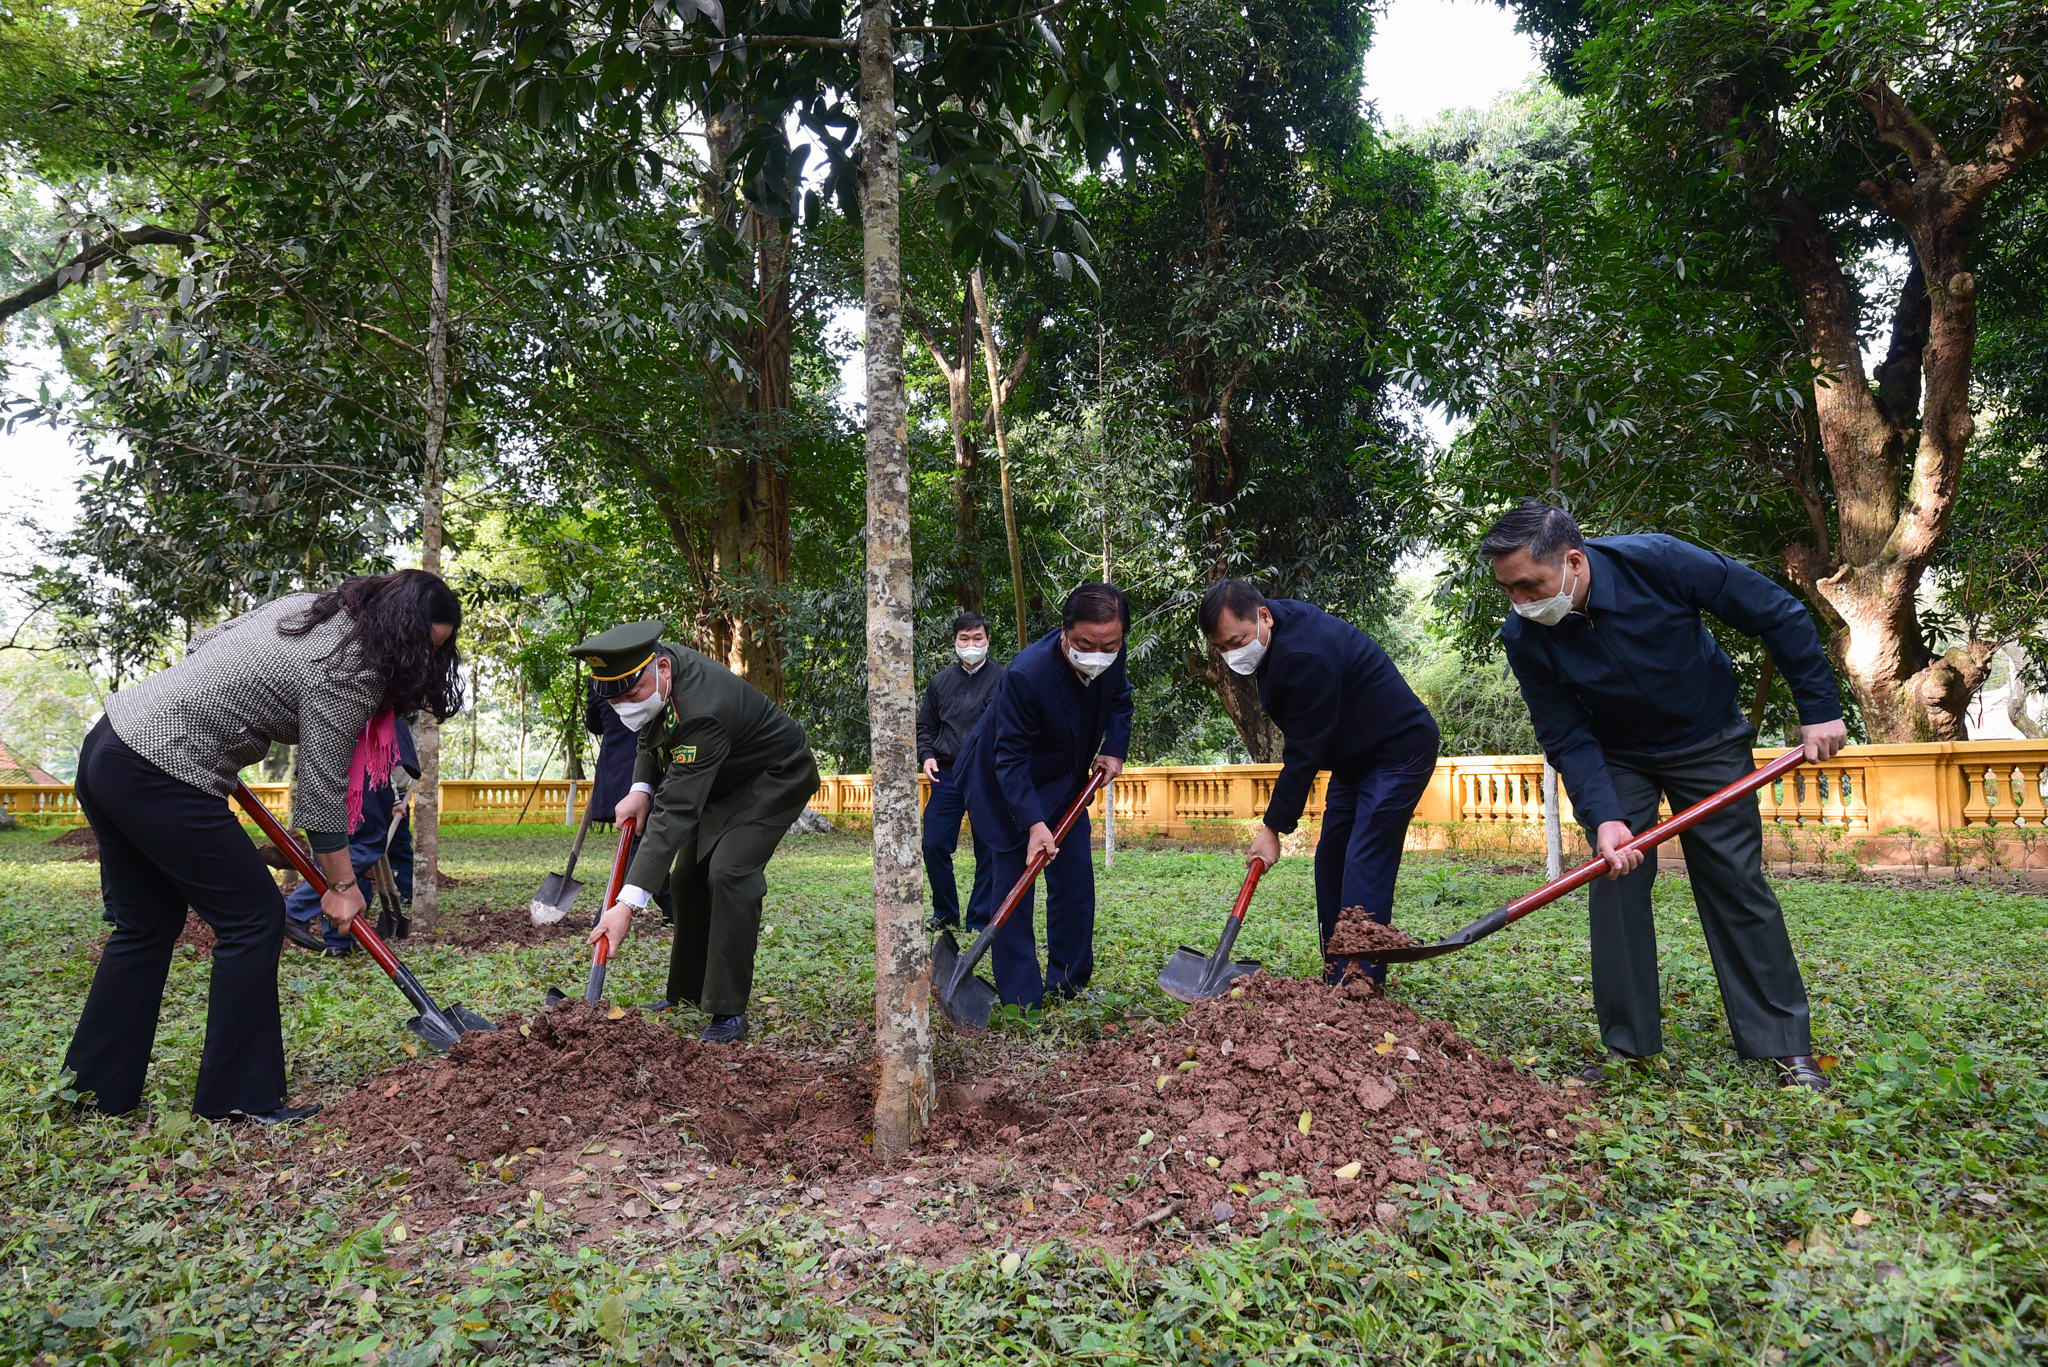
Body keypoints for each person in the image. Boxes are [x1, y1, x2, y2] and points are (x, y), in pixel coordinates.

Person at [66, 570, 464, 1123]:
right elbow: (320, 792)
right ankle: (239, 1098)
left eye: (437, 649)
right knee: (254, 918)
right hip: (161, 768)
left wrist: (221, 720)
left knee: (145, 924)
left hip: (110, 743)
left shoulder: (310, 609)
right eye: (424, 643)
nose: (425, 659)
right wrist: (343, 887)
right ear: (397, 627)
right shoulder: (353, 667)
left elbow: (211, 643)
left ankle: (91, 1091)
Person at [1480, 501, 1845, 1090]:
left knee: (1734, 879)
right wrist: (1604, 817)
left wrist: (1820, 711)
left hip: (1707, 739)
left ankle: (1782, 1043)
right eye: (1509, 591)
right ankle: (1629, 1045)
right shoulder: (1525, 636)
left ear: (1574, 561)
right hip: (1617, 753)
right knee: (1614, 876)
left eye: (1530, 585)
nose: (1521, 602)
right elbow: (1565, 735)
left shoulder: (1661, 562)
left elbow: (1776, 612)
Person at [578, 622, 820, 1043]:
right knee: (687, 879)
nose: (626, 706)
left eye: (631, 695)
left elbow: (676, 811)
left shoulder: (704, 710)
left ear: (664, 668)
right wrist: (640, 787)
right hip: (721, 777)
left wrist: (627, 905)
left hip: (772, 779)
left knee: (729, 874)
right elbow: (651, 732)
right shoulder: (652, 669)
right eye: (616, 700)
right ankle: (685, 994)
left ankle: (727, 1013)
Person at [1198, 580, 1440, 983]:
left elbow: (1304, 751)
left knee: (1364, 862)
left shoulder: (1305, 652)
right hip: (1353, 758)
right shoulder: (1277, 630)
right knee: (1331, 859)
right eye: (1222, 648)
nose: (1232, 655)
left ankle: (1358, 985)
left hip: (1398, 754)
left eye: (1236, 641)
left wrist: (1272, 828)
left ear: (1263, 616)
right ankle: (1337, 974)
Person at [953, 583, 1133, 1010]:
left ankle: (1069, 985)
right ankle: (1021, 1000)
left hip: (1068, 784)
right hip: (1005, 787)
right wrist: (1034, 824)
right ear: (1065, 632)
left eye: (1109, 643)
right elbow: (1009, 757)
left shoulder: (1111, 649)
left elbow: (1121, 701)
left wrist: (1114, 748)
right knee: (1014, 886)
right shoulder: (1027, 674)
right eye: (1087, 643)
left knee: (1074, 886)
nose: (1099, 652)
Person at [283, 714, 418, 955]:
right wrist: (395, 799)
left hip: (319, 766)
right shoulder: (385, 699)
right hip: (357, 772)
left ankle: (339, 941)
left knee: (330, 844)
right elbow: (393, 765)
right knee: (364, 846)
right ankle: (294, 910)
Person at [918, 610, 1006, 934]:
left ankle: (979, 919)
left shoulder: (1004, 679)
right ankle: (946, 912)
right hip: (948, 773)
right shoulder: (939, 682)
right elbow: (926, 726)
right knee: (934, 844)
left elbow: (1016, 726)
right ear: (954, 641)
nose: (971, 644)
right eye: (964, 638)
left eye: (977, 638)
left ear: (987, 640)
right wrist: (926, 756)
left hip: (989, 776)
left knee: (990, 850)